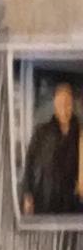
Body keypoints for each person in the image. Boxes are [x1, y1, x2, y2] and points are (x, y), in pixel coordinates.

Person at [20, 78, 82, 218]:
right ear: (55, 104)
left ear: (73, 105)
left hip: (72, 202)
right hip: (45, 198)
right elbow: (29, 164)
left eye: (68, 104)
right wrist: (27, 195)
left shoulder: (80, 133)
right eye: (61, 104)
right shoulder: (42, 132)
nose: (64, 109)